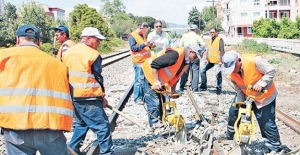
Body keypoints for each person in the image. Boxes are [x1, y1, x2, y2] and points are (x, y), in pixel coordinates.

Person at [0, 25, 73, 155]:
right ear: (38, 42)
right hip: (50, 125)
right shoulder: (58, 65)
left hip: (15, 126)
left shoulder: (3, 57)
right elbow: (69, 93)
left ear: (17, 39)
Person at [63, 27, 113, 155]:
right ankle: (107, 153)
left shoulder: (68, 52)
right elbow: (97, 78)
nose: (99, 43)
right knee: (102, 127)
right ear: (88, 38)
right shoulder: (93, 54)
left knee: (82, 123)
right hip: (88, 95)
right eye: (97, 40)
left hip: (73, 95)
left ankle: (72, 149)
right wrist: (102, 96)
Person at [220, 50, 283, 153]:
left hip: (265, 97)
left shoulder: (255, 61)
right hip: (248, 96)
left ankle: (275, 148)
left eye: (233, 67)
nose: (232, 71)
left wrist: (261, 83)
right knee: (233, 111)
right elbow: (239, 90)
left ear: (239, 61)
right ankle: (230, 135)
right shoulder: (232, 74)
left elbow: (271, 70)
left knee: (266, 122)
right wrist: (240, 104)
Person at [141, 44, 202, 128]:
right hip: (149, 75)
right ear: (190, 51)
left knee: (162, 102)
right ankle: (155, 125)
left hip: (159, 80)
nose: (195, 59)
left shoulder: (185, 61)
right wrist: (156, 81)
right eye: (195, 56)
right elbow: (154, 64)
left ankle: (161, 123)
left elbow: (176, 76)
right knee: (154, 103)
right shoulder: (175, 55)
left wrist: (173, 90)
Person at [177, 24, 206, 92]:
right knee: (195, 71)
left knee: (185, 71)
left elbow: (180, 45)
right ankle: (195, 88)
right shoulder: (197, 36)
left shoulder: (185, 36)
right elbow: (203, 45)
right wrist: (200, 52)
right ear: (196, 30)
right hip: (194, 55)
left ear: (190, 29)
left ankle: (181, 86)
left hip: (186, 54)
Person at [128, 22, 151, 105]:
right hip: (138, 62)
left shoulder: (142, 35)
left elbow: (144, 47)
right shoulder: (132, 36)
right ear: (141, 28)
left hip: (145, 61)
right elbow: (133, 48)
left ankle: (144, 96)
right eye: (145, 30)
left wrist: (150, 46)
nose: (145, 32)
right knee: (138, 80)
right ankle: (137, 98)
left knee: (144, 80)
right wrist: (144, 44)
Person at [200, 27, 224, 95]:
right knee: (202, 70)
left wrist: (221, 61)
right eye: (210, 32)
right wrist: (206, 58)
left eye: (213, 32)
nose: (212, 33)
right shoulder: (210, 40)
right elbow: (209, 50)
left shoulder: (220, 39)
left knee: (218, 75)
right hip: (210, 60)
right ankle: (204, 86)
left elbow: (222, 51)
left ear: (216, 32)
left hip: (217, 61)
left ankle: (218, 88)